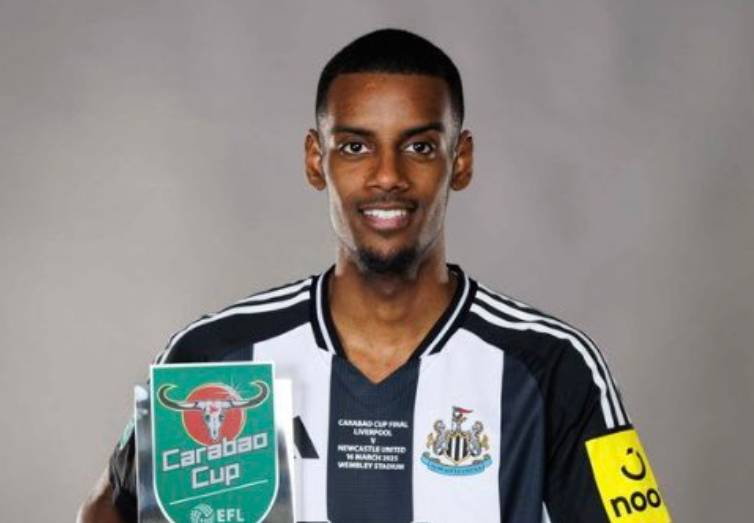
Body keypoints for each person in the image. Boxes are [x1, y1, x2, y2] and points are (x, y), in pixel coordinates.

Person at [78, 28, 670, 523]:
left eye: (419, 147)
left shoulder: (552, 366)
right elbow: (109, 509)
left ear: (460, 161)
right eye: (356, 148)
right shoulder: (216, 358)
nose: (388, 176)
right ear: (317, 161)